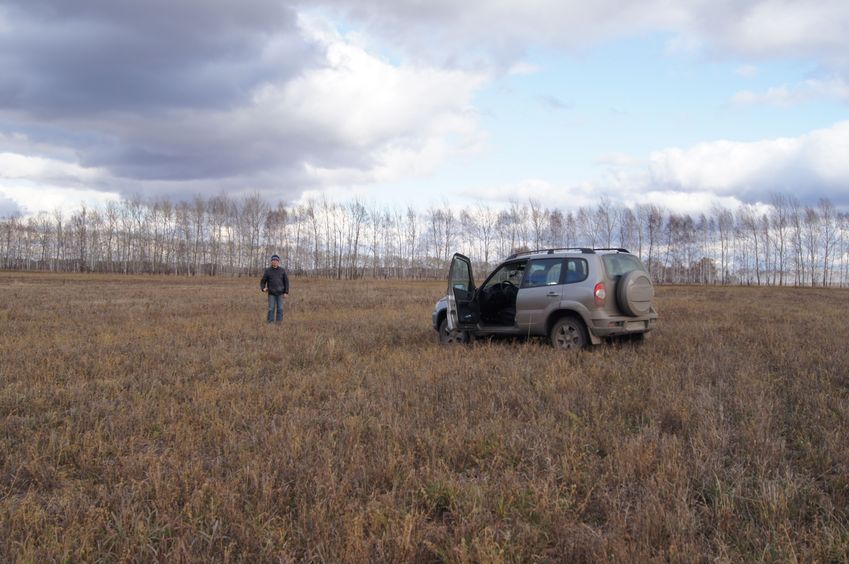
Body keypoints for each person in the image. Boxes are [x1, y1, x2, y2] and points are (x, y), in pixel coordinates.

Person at [260, 254, 289, 324]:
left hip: (280, 293)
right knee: (271, 309)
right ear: (271, 261)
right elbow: (263, 281)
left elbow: (286, 282)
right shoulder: (268, 271)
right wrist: (263, 288)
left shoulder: (282, 270)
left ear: (278, 262)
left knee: (280, 309)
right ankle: (270, 322)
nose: (274, 262)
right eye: (273, 260)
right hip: (271, 293)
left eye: (276, 260)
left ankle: (279, 323)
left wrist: (286, 292)